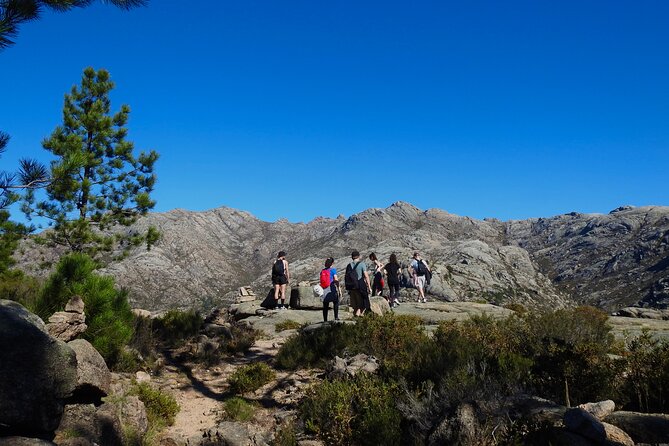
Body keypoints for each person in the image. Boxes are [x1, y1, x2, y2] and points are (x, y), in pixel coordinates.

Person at [346, 250, 371, 317]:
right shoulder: (362, 264)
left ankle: (357, 316)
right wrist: (369, 286)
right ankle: (358, 316)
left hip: (352, 287)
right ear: (358, 256)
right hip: (360, 285)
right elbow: (366, 276)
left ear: (352, 257)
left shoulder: (349, 265)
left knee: (356, 304)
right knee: (364, 302)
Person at [321, 257, 341, 322]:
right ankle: (336, 317)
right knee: (335, 302)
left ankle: (325, 320)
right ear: (332, 263)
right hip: (331, 288)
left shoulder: (322, 271)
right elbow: (336, 280)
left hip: (324, 289)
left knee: (325, 305)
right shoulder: (333, 270)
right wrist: (339, 289)